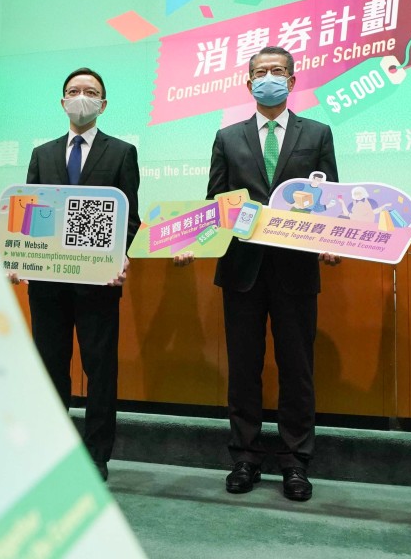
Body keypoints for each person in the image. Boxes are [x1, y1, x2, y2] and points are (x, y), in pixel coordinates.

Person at [175, 46, 339, 501]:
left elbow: (330, 201)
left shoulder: (318, 133)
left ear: (293, 79)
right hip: (242, 268)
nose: (270, 77)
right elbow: (215, 203)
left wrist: (329, 241)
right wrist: (192, 241)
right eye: (261, 72)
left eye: (278, 71)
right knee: (244, 368)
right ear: (248, 84)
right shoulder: (227, 137)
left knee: (297, 368)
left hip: (296, 269)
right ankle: (245, 456)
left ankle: (295, 461)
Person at [22, 67, 140, 481]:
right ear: (62, 101)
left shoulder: (122, 152)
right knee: (51, 366)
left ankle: (96, 455)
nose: (82, 97)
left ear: (103, 104)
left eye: (91, 92)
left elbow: (129, 218)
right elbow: (28, 213)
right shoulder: (43, 154)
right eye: (74, 91)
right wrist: (20, 259)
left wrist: (118, 257)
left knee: (100, 370)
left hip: (97, 282)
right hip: (48, 284)